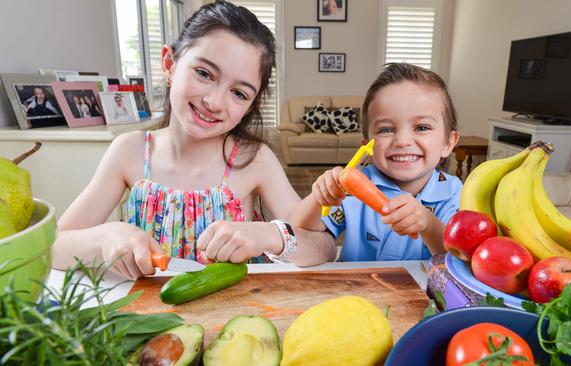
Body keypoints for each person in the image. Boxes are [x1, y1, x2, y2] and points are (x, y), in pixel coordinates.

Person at [52, 0, 334, 279]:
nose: (213, 102)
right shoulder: (130, 151)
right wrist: (106, 237)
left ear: (250, 106)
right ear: (170, 64)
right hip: (151, 315)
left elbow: (324, 247)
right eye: (204, 73)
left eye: (239, 93)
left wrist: (271, 235)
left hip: (238, 314)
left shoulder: (255, 159)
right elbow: (53, 247)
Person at [289, 63, 461, 263]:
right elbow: (298, 230)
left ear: (447, 143)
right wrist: (320, 197)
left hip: (422, 293)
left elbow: (457, 260)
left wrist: (427, 224)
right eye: (386, 130)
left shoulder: (454, 192)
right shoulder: (354, 186)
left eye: (422, 127)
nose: (402, 141)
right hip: (354, 289)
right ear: (368, 146)